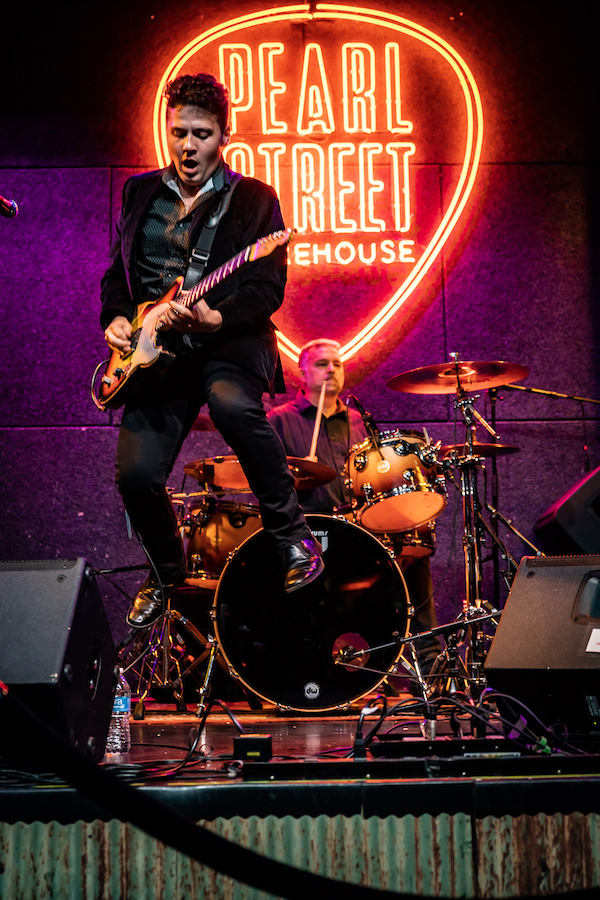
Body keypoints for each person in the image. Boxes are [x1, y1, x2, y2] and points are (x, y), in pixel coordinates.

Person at [101, 73, 323, 629]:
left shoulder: (253, 200)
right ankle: (169, 571)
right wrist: (117, 321)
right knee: (136, 475)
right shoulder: (138, 191)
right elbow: (116, 274)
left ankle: (295, 539)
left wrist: (217, 315)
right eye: (178, 132)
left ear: (224, 135)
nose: (187, 146)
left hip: (226, 340)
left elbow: (267, 286)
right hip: (156, 349)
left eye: (201, 134)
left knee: (231, 404)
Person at [268, 339, 442, 676]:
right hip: (311, 534)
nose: (332, 369)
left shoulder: (359, 422)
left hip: (361, 529)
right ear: (302, 372)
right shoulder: (280, 421)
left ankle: (430, 664)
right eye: (322, 364)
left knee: (415, 553)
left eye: (338, 363)